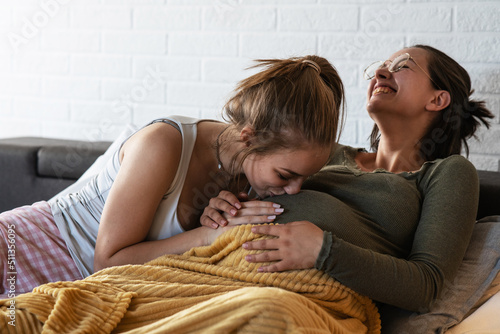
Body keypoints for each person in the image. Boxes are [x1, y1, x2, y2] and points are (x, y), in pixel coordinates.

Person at [0, 55, 345, 296]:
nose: (294, 189)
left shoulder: (251, 180)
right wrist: (206, 237)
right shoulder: (163, 145)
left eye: (303, 177)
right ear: (248, 137)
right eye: (286, 174)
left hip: (87, 285)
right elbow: (107, 260)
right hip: (26, 247)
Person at [200, 44, 494, 312]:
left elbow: (425, 285)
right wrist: (225, 208)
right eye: (380, 66)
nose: (380, 73)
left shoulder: (447, 173)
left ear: (438, 98)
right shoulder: (323, 153)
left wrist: (322, 250)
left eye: (402, 66)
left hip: (293, 294)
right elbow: (259, 183)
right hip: (218, 264)